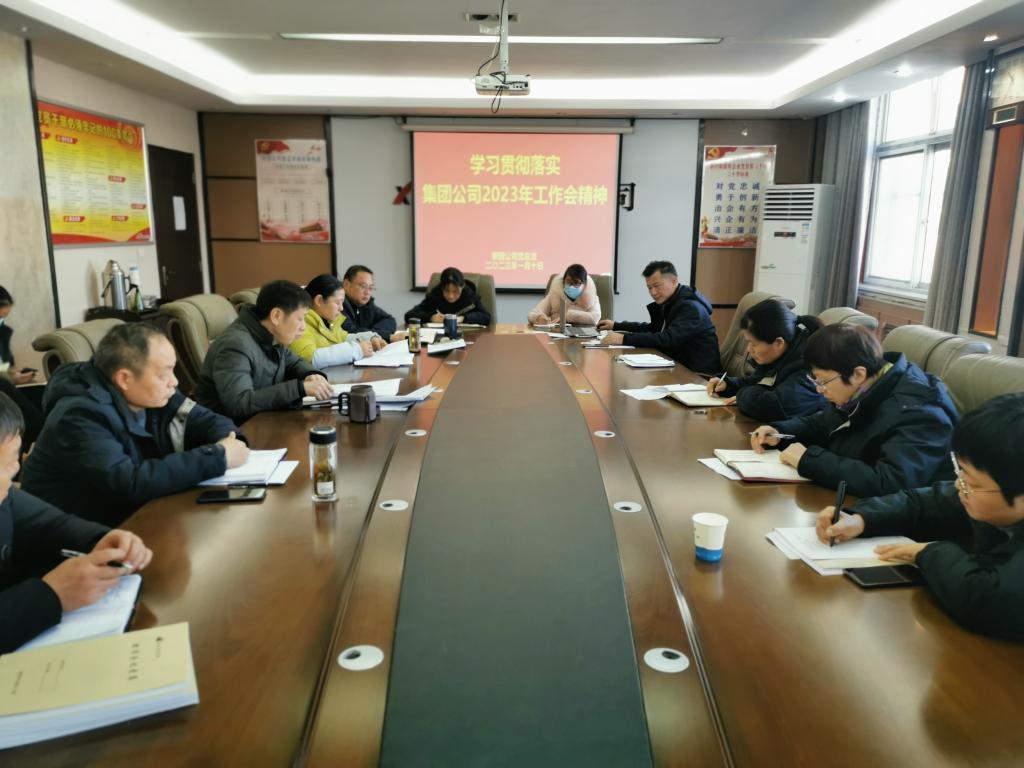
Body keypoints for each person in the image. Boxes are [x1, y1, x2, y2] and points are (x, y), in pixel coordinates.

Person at [817, 392, 1024, 641]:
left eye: (973, 484)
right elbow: (920, 503)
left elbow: (986, 599)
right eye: (960, 472)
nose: (959, 485)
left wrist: (928, 552)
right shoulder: (986, 486)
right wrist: (860, 518)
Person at [21, 324, 250, 526]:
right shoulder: (79, 417)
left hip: (133, 516)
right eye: (164, 373)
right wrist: (217, 456)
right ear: (124, 378)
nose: (175, 381)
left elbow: (204, 419)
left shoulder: (149, 392)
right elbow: (130, 482)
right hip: (77, 537)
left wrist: (228, 441)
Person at [0, 392, 153, 654]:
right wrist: (51, 595)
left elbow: (51, 524)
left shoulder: (5, 495)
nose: (13, 473)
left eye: (12, 461)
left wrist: (101, 540)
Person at [750, 323, 958, 497]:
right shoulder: (865, 387)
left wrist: (809, 461)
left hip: (907, 526)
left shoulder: (920, 411)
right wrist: (780, 431)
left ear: (858, 374)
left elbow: (891, 483)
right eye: (816, 380)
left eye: (823, 381)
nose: (819, 389)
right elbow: (823, 422)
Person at [194, 280, 334, 423]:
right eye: (300, 319)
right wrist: (300, 389)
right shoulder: (235, 345)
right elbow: (239, 403)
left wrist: (311, 375)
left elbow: (294, 362)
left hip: (263, 419)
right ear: (276, 316)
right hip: (232, 429)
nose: (303, 327)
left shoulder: (271, 335)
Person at [706, 299, 826, 421]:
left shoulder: (810, 367)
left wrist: (742, 395)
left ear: (778, 343)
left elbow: (774, 407)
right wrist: (728, 385)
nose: (748, 349)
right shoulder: (781, 355)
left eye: (754, 344)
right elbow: (755, 382)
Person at [597, 260, 720, 374]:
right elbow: (654, 329)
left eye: (657, 286)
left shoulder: (691, 308)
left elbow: (668, 339)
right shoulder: (671, 302)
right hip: (677, 366)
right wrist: (616, 325)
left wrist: (624, 339)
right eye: (649, 288)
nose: (653, 292)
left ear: (674, 281)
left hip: (698, 375)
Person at [291, 274, 377, 367]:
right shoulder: (300, 324)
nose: (341, 308)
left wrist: (370, 338)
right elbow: (309, 358)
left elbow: (343, 337)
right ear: (319, 300)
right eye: (337, 302)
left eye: (342, 303)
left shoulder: (329, 321)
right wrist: (356, 350)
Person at [0, 285, 44, 450]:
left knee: (41, 393)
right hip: (2, 385)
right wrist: (10, 378)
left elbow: (4, 366)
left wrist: (15, 373)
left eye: (3, 319)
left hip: (6, 383)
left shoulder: (3, 333)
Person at [405, 267, 492, 326]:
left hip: (468, 337)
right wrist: (431, 317)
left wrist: (463, 318)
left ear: (462, 287)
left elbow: (486, 317)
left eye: (455, 291)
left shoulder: (470, 295)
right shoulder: (435, 294)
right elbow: (409, 315)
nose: (451, 296)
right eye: (446, 291)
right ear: (442, 288)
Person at [527, 264, 601, 326]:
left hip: (583, 335)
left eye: (576, 283)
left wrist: (567, 316)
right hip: (556, 334)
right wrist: (539, 318)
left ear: (584, 285)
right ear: (563, 281)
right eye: (568, 282)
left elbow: (595, 318)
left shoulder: (591, 297)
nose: (571, 286)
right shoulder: (555, 294)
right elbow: (532, 314)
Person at [341, 265, 397, 341]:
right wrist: (381, 335)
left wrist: (372, 333)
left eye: (370, 288)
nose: (367, 292)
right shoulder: (338, 304)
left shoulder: (366, 304)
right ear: (346, 284)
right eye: (363, 286)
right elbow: (351, 332)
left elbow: (389, 320)